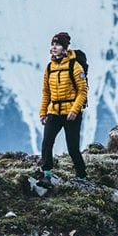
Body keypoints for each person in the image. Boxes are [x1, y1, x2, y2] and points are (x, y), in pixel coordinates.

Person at [38, 31, 88, 184]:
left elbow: (82, 91)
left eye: (57, 45)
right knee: (47, 142)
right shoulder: (49, 68)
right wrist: (42, 112)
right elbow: (46, 92)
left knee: (72, 148)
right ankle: (46, 174)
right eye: (52, 44)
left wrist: (74, 110)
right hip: (54, 112)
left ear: (65, 49)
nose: (53, 48)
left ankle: (82, 175)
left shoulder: (75, 65)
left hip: (71, 113)